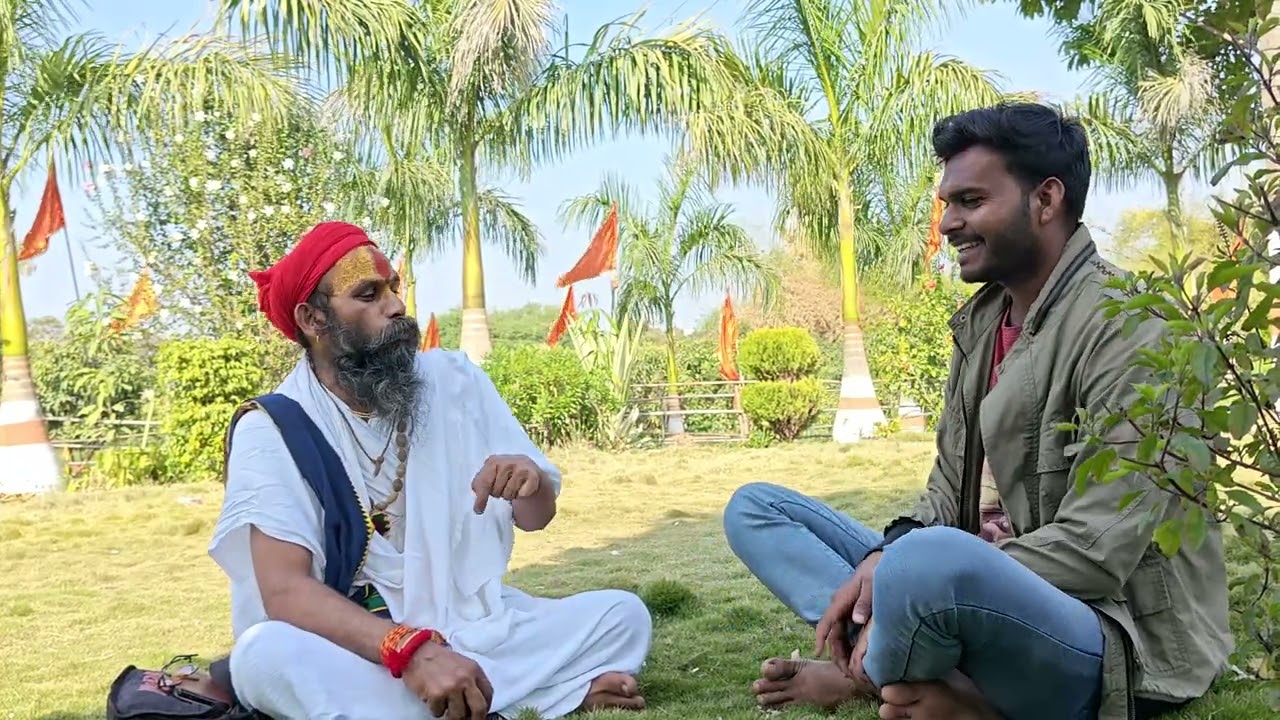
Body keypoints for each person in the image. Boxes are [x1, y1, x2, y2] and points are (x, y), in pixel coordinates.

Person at [722, 102, 1233, 720]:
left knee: (924, 563)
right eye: (947, 203)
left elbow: (1095, 551)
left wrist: (911, 571)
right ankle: (911, 668)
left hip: (1103, 629)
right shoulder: (982, 323)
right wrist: (888, 556)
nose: (947, 224)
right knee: (757, 509)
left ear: (1045, 199)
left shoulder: (1135, 327)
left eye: (969, 201)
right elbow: (946, 492)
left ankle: (883, 673)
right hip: (961, 591)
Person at [208, 221, 651, 720]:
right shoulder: (273, 428)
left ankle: (462, 700)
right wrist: (409, 650)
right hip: (360, 644)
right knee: (264, 656)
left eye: (393, 288)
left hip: (470, 626)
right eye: (369, 295)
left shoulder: (454, 381)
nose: (396, 306)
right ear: (313, 319)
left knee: (624, 615)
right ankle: (538, 696)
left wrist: (529, 481)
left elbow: (537, 517)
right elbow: (285, 591)